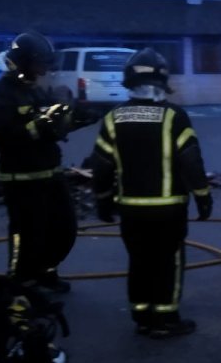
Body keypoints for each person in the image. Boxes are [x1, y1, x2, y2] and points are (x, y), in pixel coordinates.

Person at [88, 48, 213, 338]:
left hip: (131, 209)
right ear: (163, 81)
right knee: (168, 261)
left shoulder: (114, 118)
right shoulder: (174, 117)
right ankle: (166, 319)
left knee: (139, 260)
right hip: (168, 208)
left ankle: (142, 316)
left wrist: (103, 201)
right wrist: (203, 197)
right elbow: (191, 161)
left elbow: (101, 165)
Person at [0, 31, 77, 294]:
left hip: (50, 173)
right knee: (26, 233)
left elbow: (54, 127)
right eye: (40, 63)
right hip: (22, 178)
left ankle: (46, 272)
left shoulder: (33, 90)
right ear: (22, 62)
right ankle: (21, 280)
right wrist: (48, 120)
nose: (45, 69)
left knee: (62, 228)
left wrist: (72, 113)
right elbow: (11, 136)